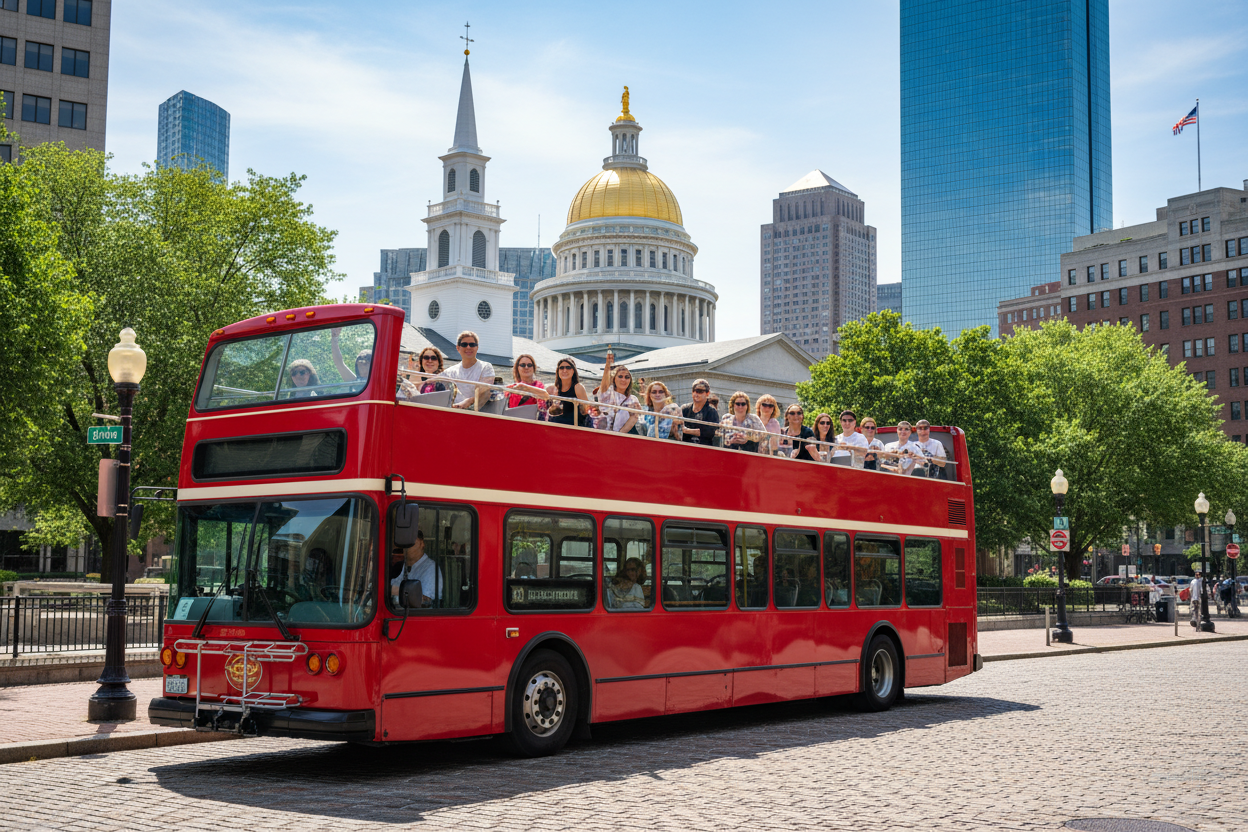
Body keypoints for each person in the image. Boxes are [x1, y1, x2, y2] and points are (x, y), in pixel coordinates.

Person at [442, 330, 495, 410]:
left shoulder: (486, 367)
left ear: (477, 347)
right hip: (451, 413)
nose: (468, 347)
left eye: (472, 344)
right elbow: (431, 384)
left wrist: (469, 401)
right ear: (458, 348)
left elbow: (484, 393)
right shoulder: (449, 371)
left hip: (475, 415)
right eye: (464, 344)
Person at [390, 531, 442, 607]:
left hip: (416, 616)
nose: (406, 547)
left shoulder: (431, 569)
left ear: (422, 544)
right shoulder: (400, 566)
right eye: (405, 543)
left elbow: (425, 601)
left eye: (411, 543)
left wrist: (396, 591)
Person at [595, 351, 641, 433]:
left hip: (622, 437)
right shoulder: (608, 393)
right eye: (620, 376)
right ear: (614, 378)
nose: (623, 380)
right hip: (603, 435)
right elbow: (604, 384)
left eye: (627, 377)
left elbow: (634, 418)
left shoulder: (633, 399)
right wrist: (608, 365)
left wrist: (618, 436)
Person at [546, 359, 591, 426]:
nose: (564, 370)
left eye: (568, 367)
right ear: (558, 371)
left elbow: (586, 411)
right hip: (554, 427)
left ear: (573, 371)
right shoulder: (552, 389)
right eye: (561, 368)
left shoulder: (578, 387)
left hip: (573, 429)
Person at [680, 379, 719, 445]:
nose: (696, 393)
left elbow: (709, 432)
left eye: (700, 391)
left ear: (707, 393)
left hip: (703, 449)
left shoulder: (712, 412)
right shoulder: (684, 409)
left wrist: (687, 430)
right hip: (685, 447)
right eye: (694, 390)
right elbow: (678, 427)